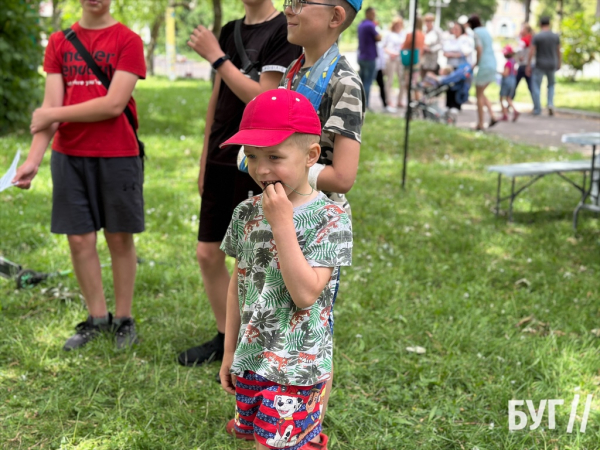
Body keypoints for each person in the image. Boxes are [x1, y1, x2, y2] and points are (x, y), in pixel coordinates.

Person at [230, 0, 365, 447]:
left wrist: (284, 173)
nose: (289, 8)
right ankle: (270, 401)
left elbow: (342, 174)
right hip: (277, 206)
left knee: (309, 321)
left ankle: (304, 419)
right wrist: (262, 160)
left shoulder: (344, 80)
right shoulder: (291, 71)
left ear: (335, 16)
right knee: (267, 293)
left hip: (310, 218)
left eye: (301, 2)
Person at [219, 89, 353, 450]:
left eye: (275, 157)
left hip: (298, 366)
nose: (261, 170)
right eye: (251, 157)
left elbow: (307, 294)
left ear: (311, 156)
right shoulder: (245, 213)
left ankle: (308, 437)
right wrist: (230, 351)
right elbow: (238, 284)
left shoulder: (331, 218)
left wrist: (282, 224)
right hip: (252, 357)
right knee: (255, 436)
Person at [12, 0, 145, 350]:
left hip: (118, 154)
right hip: (68, 156)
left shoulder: (128, 40)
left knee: (119, 238)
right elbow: (49, 114)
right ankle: (97, 318)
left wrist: (53, 112)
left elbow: (114, 103)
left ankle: (124, 318)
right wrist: (33, 160)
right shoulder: (60, 41)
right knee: (79, 240)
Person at [178, 0, 302, 369]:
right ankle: (224, 336)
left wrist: (218, 58)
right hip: (221, 154)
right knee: (207, 252)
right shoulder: (230, 29)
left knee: (252, 258)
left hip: (257, 161)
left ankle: (256, 342)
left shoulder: (283, 29)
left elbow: (265, 99)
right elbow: (218, 99)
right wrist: (204, 159)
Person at [468, 14, 498, 130]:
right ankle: (493, 116)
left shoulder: (476, 32)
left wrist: (476, 63)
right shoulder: (485, 31)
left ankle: (480, 123)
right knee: (481, 93)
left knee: (478, 95)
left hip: (484, 64)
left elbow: (479, 49)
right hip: (492, 63)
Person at [527, 16, 561, 116]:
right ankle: (550, 103)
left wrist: (528, 65)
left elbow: (531, 51)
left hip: (540, 64)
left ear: (540, 24)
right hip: (552, 64)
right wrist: (559, 62)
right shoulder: (555, 36)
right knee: (551, 85)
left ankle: (537, 109)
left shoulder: (537, 36)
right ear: (549, 24)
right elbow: (558, 50)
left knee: (536, 86)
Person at [443, 21, 474, 112]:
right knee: (448, 85)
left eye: (457, 29)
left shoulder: (465, 39)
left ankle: (456, 105)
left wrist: (452, 54)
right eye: (454, 29)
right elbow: (445, 51)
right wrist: (456, 53)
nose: (455, 30)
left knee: (458, 86)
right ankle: (449, 105)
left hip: (460, 67)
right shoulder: (450, 39)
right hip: (450, 66)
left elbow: (465, 52)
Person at [357, 6, 382, 108]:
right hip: (369, 57)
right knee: (367, 82)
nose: (374, 16)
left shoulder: (361, 25)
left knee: (361, 82)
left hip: (361, 56)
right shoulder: (370, 25)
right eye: (372, 14)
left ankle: (359, 102)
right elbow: (379, 37)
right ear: (367, 14)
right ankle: (366, 104)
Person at [382, 16, 407, 110]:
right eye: (396, 24)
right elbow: (383, 46)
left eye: (400, 24)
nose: (398, 26)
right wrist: (391, 53)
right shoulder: (388, 34)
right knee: (390, 80)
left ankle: (400, 100)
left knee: (402, 80)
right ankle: (389, 100)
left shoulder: (403, 34)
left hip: (400, 59)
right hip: (391, 59)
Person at [401, 16, 425, 102]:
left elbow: (404, 47)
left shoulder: (410, 35)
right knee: (415, 81)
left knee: (409, 82)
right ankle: (417, 99)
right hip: (418, 61)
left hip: (410, 60)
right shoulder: (422, 35)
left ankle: (410, 100)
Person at [513, 23, 534, 101]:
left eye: (522, 29)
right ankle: (536, 106)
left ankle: (509, 101)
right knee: (531, 86)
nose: (521, 30)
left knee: (515, 84)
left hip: (523, 65)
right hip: (530, 64)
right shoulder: (532, 38)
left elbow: (518, 49)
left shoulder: (524, 39)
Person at [500, 45, 519, 122]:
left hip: (507, 81)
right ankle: (515, 111)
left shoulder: (508, 63)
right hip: (513, 80)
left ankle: (505, 114)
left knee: (501, 98)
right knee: (508, 98)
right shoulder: (514, 61)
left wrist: (497, 72)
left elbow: (505, 73)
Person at [421, 13, 443, 79]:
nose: (428, 23)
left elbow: (441, 44)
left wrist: (431, 49)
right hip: (423, 57)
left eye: (429, 21)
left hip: (432, 57)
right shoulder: (423, 30)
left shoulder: (437, 30)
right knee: (422, 74)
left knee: (430, 75)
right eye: (426, 21)